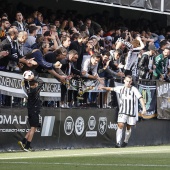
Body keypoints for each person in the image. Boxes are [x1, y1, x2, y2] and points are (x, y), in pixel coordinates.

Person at [99, 75, 146, 148]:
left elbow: (140, 98)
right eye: (127, 81)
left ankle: (126, 141)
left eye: (129, 81)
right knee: (120, 125)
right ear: (124, 81)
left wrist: (144, 108)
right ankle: (118, 142)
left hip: (131, 112)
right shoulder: (120, 88)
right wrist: (103, 87)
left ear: (131, 82)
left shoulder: (134, 89)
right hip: (122, 111)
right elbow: (111, 88)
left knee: (128, 127)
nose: (128, 83)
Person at [18, 70, 44, 151]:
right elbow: (42, 82)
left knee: (33, 127)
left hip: (30, 110)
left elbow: (26, 83)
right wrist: (32, 77)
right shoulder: (35, 90)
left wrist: (27, 79)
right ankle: (27, 146)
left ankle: (23, 141)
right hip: (35, 110)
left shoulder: (27, 89)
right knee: (33, 128)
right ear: (35, 84)